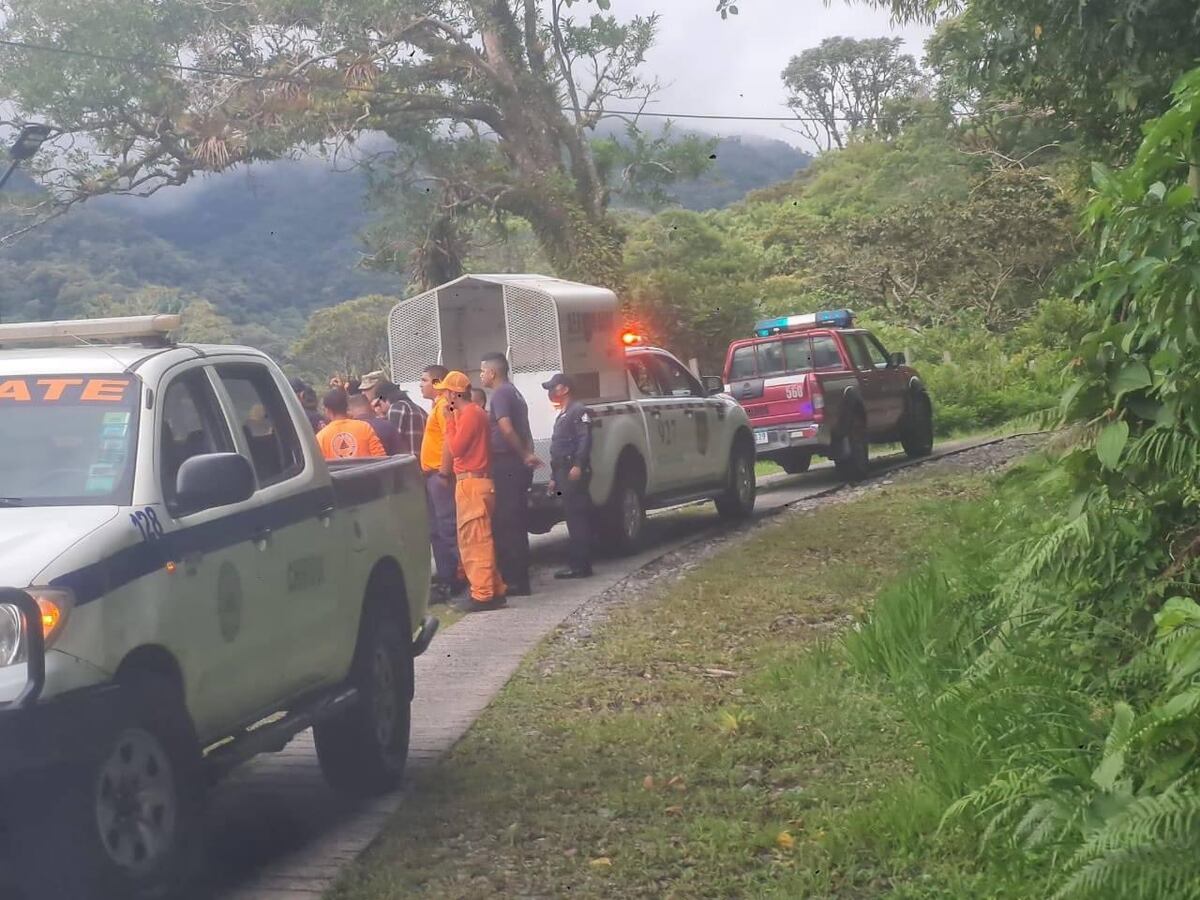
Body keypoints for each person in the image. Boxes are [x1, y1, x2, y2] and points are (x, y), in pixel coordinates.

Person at [440, 371, 507, 611]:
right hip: (477, 484)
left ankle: (482, 595)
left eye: (446, 392)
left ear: (454, 393)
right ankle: (494, 589)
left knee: (474, 543)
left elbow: (457, 449)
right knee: (480, 539)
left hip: (472, 484)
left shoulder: (470, 414)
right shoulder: (473, 413)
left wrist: (448, 421)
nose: (444, 396)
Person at [480, 352, 540, 596]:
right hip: (515, 464)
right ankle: (518, 576)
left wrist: (523, 454)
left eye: (483, 370)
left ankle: (515, 580)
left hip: (507, 463)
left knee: (508, 522)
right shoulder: (514, 391)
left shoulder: (501, 394)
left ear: (492, 372)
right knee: (514, 519)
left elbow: (505, 427)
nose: (481, 375)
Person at [420, 364, 464, 601]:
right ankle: (448, 579)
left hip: (440, 474)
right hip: (432, 475)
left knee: (449, 528)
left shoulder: (443, 408)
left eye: (425, 380)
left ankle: (461, 578)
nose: (421, 384)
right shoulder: (436, 407)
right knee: (437, 529)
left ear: (438, 383)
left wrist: (445, 472)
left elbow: (449, 440)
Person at [544, 373, 593, 579]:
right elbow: (558, 448)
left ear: (564, 389)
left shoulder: (578, 410)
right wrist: (555, 476)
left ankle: (580, 565)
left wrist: (578, 464)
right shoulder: (562, 413)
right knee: (571, 516)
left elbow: (585, 439)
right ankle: (578, 563)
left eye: (553, 387)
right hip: (562, 471)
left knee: (576, 517)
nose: (550, 392)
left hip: (572, 470)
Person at [361, 372, 426, 457]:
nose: (379, 408)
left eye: (378, 404)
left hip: (408, 464)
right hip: (419, 462)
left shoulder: (397, 408)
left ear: (384, 399)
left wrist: (380, 419)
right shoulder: (418, 408)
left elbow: (391, 439)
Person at [315, 388, 386, 460]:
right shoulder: (364, 427)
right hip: (368, 471)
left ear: (327, 410)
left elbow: (320, 467)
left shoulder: (320, 438)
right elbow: (380, 459)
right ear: (347, 407)